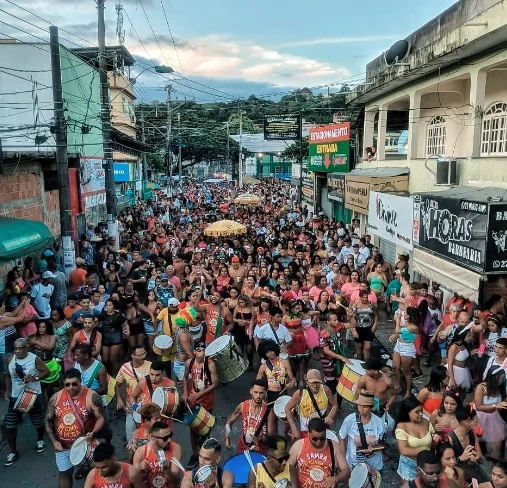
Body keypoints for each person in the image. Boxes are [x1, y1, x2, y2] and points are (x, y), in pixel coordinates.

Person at [45, 368, 107, 488]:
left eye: (74, 383)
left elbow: (101, 418)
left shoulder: (91, 396)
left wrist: (93, 433)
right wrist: (54, 441)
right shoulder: (55, 398)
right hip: (63, 446)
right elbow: (48, 420)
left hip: (85, 445)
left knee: (90, 474)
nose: (71, 387)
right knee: (64, 473)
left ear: (80, 381)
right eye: (67, 384)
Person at [4, 337, 50, 466]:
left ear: (27, 348)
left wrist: (34, 377)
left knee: (37, 420)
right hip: (15, 397)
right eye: (15, 348)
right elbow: (8, 375)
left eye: (20, 348)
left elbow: (46, 371)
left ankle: (40, 439)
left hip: (33, 395)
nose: (17, 351)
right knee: (10, 425)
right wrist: (7, 390)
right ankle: (13, 451)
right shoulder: (9, 359)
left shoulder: (34, 358)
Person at [182, 339, 219, 469]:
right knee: (193, 428)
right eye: (199, 350)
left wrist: (200, 394)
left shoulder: (210, 364)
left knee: (205, 427)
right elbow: (185, 377)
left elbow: (215, 383)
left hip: (207, 401)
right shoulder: (189, 362)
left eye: (203, 350)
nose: (201, 353)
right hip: (193, 400)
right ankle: (194, 454)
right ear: (194, 351)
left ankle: (206, 455)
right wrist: (185, 393)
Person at [289, 417, 350, 488]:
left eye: (322, 438)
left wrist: (336, 479)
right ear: (308, 434)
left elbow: (346, 470)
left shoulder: (334, 447)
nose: (318, 442)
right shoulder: (298, 445)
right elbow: (290, 466)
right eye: (314, 439)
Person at [284, 369, 338, 440]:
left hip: (321, 428)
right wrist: (294, 428)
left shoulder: (326, 391)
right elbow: (287, 408)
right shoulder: (300, 394)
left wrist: (330, 416)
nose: (315, 385)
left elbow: (335, 405)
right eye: (312, 383)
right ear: (307, 382)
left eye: (317, 382)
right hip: (306, 431)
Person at [339, 391, 385, 471]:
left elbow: (382, 443)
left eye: (365, 406)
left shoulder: (378, 422)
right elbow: (342, 437)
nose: (361, 409)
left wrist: (372, 450)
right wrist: (342, 459)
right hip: (354, 463)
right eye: (359, 405)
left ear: (371, 407)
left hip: (374, 464)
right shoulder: (349, 420)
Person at [115, 344, 152, 442]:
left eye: (144, 354)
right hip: (131, 408)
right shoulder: (125, 368)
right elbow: (117, 385)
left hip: (147, 407)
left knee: (147, 440)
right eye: (140, 355)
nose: (143, 356)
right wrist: (119, 399)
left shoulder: (150, 366)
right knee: (131, 441)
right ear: (132, 355)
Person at [395, 397, 436, 483]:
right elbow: (404, 450)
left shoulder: (426, 422)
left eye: (421, 411)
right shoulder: (402, 426)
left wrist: (436, 437)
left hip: (426, 465)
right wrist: (425, 450)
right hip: (409, 465)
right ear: (408, 413)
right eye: (417, 412)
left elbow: (433, 438)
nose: (421, 414)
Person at [133, 421, 182, 488]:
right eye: (165, 438)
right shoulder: (141, 452)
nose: (169, 440)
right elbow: (134, 482)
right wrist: (141, 469)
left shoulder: (175, 448)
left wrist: (167, 470)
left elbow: (176, 481)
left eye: (170, 435)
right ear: (153, 438)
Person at [225, 379, 269, 453]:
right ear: (251, 391)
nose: (258, 396)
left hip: (259, 448)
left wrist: (260, 439)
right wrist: (227, 437)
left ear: (265, 393)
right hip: (243, 446)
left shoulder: (268, 411)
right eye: (255, 392)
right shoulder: (243, 406)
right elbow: (229, 422)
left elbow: (270, 436)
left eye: (261, 393)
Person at [129, 360, 175, 430]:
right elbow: (132, 396)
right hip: (146, 422)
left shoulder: (171, 385)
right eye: (151, 374)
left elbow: (174, 405)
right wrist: (136, 408)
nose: (153, 378)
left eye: (157, 375)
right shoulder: (143, 382)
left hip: (163, 423)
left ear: (162, 373)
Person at [473, 364, 507, 459]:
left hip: (494, 417)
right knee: (479, 440)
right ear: (492, 377)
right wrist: (495, 405)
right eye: (499, 379)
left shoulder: (500, 387)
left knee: (497, 444)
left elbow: (503, 400)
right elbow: (478, 406)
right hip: (481, 418)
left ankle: (495, 462)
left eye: (502, 379)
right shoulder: (481, 387)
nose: (501, 381)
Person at [352, 290, 378, 360]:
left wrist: (375, 325)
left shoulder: (371, 305)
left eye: (366, 297)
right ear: (360, 297)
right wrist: (354, 330)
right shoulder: (356, 305)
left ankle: (367, 364)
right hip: (358, 328)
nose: (365, 299)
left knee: (368, 348)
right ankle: (359, 361)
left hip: (369, 328)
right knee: (359, 347)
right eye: (363, 297)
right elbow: (352, 318)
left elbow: (376, 315)